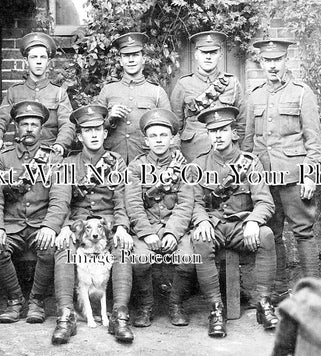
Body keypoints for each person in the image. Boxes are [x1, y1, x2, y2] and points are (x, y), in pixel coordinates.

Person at [189, 106, 278, 337]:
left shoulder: (250, 163)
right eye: (213, 131)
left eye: (223, 129)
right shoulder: (199, 164)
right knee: (199, 240)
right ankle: (215, 309)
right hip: (215, 226)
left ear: (234, 133)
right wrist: (202, 221)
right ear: (207, 135)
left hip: (241, 226)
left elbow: (265, 202)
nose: (218, 136)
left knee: (266, 235)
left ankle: (264, 303)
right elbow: (195, 202)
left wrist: (254, 222)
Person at [245, 39, 321, 303]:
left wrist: (311, 173)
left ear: (286, 60)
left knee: (303, 232)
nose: (272, 66)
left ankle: (312, 293)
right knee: (272, 234)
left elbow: (313, 140)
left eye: (277, 60)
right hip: (264, 179)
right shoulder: (254, 95)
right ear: (261, 63)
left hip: (294, 175)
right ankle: (279, 289)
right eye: (267, 61)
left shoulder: (302, 93)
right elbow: (247, 141)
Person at [52, 104, 135, 344]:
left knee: (121, 248)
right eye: (88, 130)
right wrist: (65, 226)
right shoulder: (69, 164)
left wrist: (121, 226)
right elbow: (61, 200)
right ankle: (66, 316)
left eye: (98, 128)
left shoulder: (116, 162)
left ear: (105, 132)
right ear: (79, 136)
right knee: (65, 249)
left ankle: (119, 315)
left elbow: (121, 197)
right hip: (78, 226)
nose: (94, 134)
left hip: (107, 225)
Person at [0, 100, 70, 323]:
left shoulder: (53, 158)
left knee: (50, 248)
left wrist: (50, 227)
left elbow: (60, 197)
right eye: (24, 124)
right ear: (16, 127)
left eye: (34, 124)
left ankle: (37, 301)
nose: (29, 128)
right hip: (11, 224)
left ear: (41, 129)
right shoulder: (3, 158)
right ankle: (15, 300)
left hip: (40, 224)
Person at [124, 108, 195, 328]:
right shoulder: (136, 167)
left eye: (163, 135)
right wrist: (146, 233)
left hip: (175, 229)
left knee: (187, 259)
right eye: (153, 136)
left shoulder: (183, 167)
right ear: (146, 140)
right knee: (140, 261)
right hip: (147, 230)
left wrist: (173, 232)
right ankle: (146, 305)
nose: (159, 140)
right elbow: (134, 205)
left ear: (172, 138)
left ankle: (175, 304)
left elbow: (185, 204)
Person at [0, 32, 75, 158]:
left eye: (42, 57)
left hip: (49, 152)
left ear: (48, 61)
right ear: (26, 61)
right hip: (21, 153)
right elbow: (1, 118)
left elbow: (67, 123)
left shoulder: (59, 92)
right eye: (34, 57)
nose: (38, 62)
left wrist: (61, 144)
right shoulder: (15, 92)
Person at [95, 32, 171, 164]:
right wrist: (109, 119)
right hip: (113, 159)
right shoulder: (107, 90)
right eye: (126, 56)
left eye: (135, 55)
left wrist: (174, 151)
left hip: (146, 160)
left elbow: (170, 129)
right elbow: (93, 127)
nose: (131, 60)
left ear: (143, 59)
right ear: (120, 61)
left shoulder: (157, 92)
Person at [170, 31, 247, 162]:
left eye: (213, 52)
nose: (208, 57)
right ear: (196, 55)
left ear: (220, 55)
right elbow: (174, 125)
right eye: (204, 53)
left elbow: (242, 123)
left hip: (226, 153)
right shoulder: (183, 84)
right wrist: (175, 149)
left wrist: (239, 151)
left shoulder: (232, 83)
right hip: (193, 152)